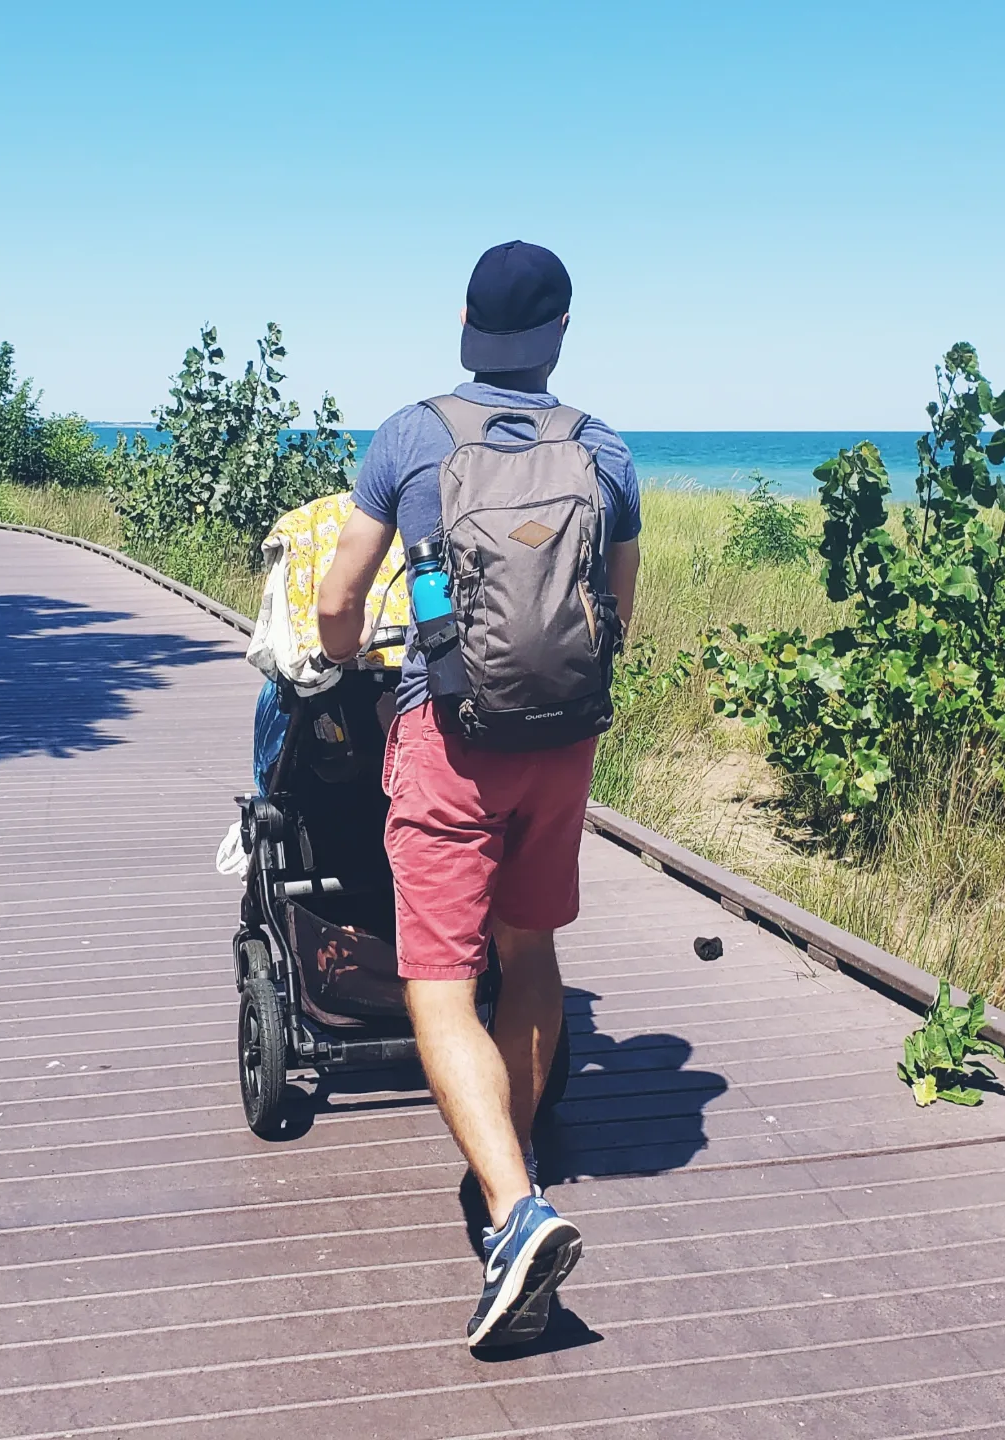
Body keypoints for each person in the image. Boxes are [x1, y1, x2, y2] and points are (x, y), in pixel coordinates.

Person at [317, 240, 641, 1348]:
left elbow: (334, 596)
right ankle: (524, 1154)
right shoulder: (603, 447)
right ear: (558, 333)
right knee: (533, 953)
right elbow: (618, 611)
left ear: (463, 319)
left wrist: (353, 656)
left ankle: (512, 1212)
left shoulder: (412, 435)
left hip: (447, 735)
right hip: (562, 742)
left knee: (440, 978)